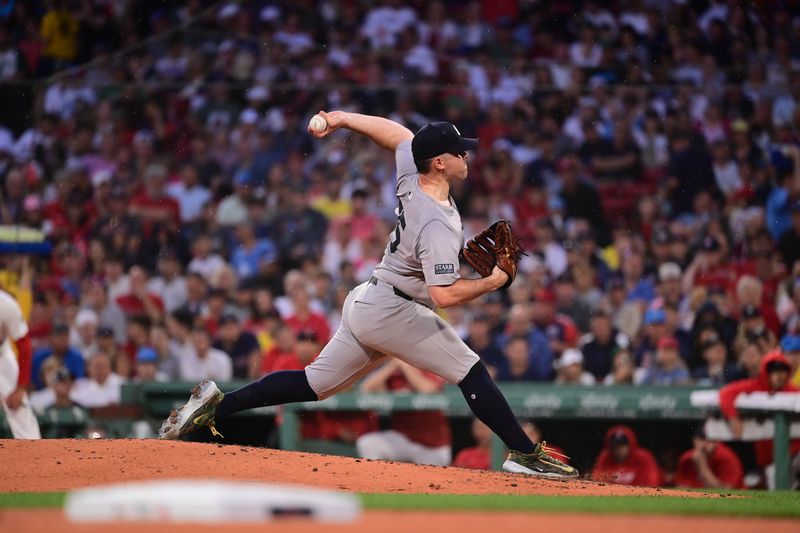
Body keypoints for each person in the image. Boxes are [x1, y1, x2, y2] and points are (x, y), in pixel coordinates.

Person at [159, 111, 577, 479]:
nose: (465, 157)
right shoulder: (435, 224)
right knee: (470, 370)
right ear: (439, 162)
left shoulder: (413, 176)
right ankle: (524, 453)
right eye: (458, 152)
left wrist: (341, 117)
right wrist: (494, 283)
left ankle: (218, 406)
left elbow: (397, 135)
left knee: (313, 383)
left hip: (371, 298)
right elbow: (444, 296)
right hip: (394, 310)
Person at [0, 289, 40, 438]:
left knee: (19, 406)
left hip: (1, 355)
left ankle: (32, 452)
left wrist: (20, 387)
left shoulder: (6, 305)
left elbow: (24, 347)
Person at [591, 425, 661, 486]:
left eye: (623, 445)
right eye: (616, 446)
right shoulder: (606, 457)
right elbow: (597, 482)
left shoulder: (643, 457)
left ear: (630, 445)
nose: (619, 450)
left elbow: (651, 483)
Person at [674, 426, 743, 489]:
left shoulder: (726, 457)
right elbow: (681, 487)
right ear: (694, 440)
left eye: (710, 440)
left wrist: (702, 465)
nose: (705, 443)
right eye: (701, 439)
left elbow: (726, 491)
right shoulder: (687, 458)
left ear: (716, 441)